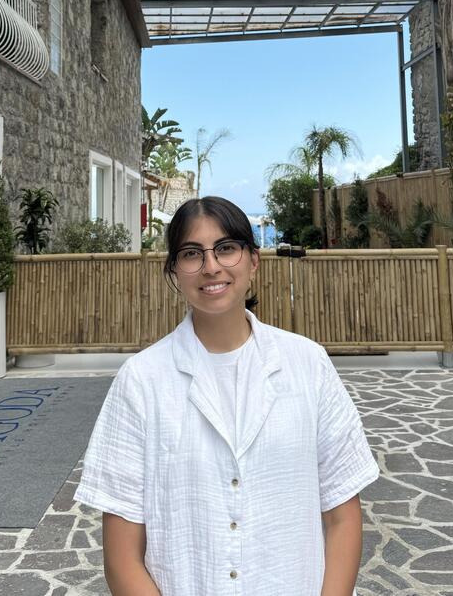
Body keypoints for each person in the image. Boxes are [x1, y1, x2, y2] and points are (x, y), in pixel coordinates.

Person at [74, 196, 379, 595]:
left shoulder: (308, 364)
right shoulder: (141, 381)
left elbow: (342, 513)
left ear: (253, 260)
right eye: (191, 253)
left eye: (226, 248)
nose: (211, 266)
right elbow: (121, 555)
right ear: (174, 271)